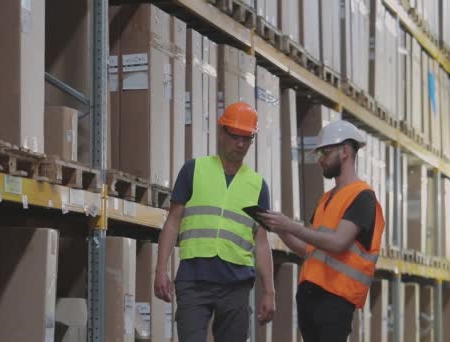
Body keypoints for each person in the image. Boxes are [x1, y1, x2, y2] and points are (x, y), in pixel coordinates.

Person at [154, 102, 275, 342]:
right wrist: (160, 270)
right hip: (194, 279)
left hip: (236, 283)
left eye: (247, 139)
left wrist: (269, 291)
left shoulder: (258, 185)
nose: (240, 144)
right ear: (221, 133)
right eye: (235, 137)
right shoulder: (193, 170)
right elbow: (172, 222)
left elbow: (261, 242)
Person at [258, 120, 385, 342]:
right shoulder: (327, 198)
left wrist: (292, 226)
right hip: (310, 297)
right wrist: (278, 228)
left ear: (345, 151)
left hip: (335, 300)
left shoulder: (363, 197)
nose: (320, 161)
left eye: (324, 153)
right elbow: (309, 250)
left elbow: (338, 243)